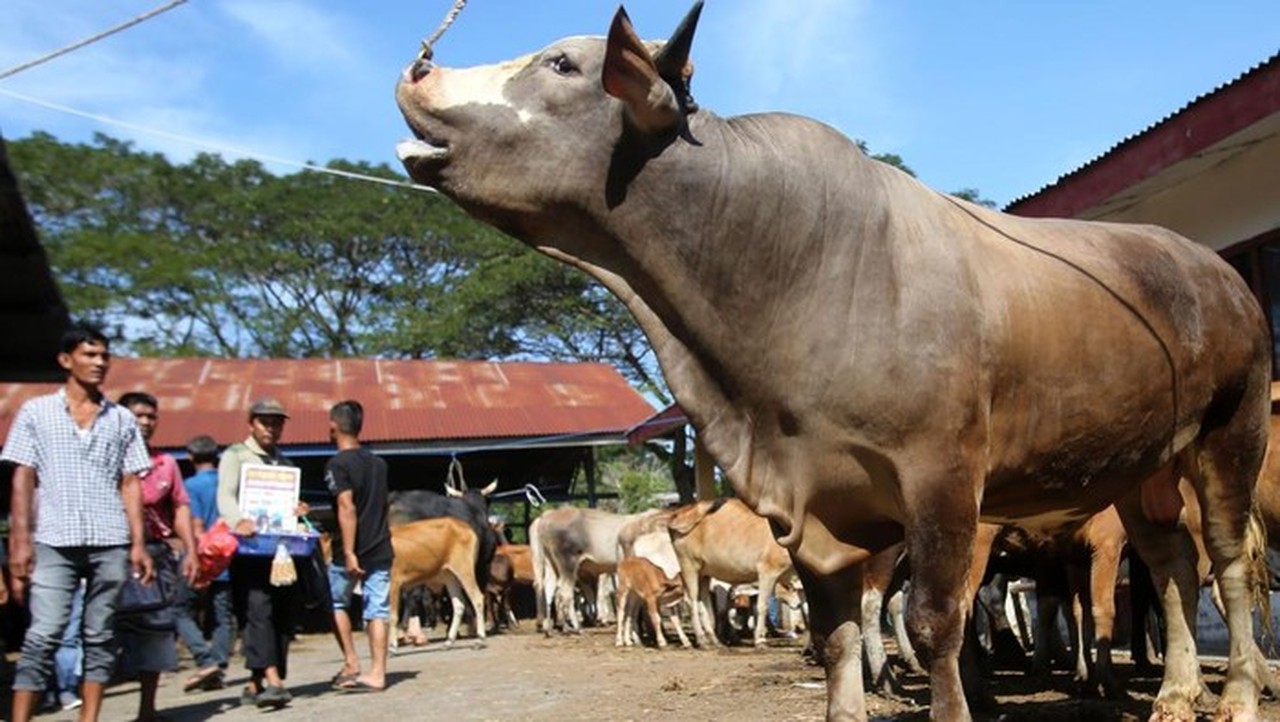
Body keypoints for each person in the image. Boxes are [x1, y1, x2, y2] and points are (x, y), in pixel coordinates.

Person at [2, 322, 154, 722]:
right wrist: (19, 540)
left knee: (100, 636)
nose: (99, 362)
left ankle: (89, 719)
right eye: (90, 355)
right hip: (54, 538)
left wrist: (138, 543)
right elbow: (23, 476)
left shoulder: (121, 419)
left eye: (104, 355)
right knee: (43, 634)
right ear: (66, 360)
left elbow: (131, 482)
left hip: (110, 538)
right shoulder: (36, 412)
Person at [216, 398, 307, 709]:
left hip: (281, 552)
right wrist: (236, 519)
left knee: (282, 612)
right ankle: (274, 681)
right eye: (265, 421)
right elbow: (225, 495)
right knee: (258, 610)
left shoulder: (285, 464)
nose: (271, 427)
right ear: (251, 423)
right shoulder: (236, 456)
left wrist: (298, 509)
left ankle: (257, 682)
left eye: (277, 422)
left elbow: (290, 503)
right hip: (249, 549)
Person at [117, 391, 200, 722]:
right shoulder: (103, 458)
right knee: (102, 633)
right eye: (139, 415)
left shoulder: (165, 463)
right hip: (111, 551)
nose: (146, 422)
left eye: (152, 416)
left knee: (155, 630)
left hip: (156, 552)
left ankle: (146, 710)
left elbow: (180, 505)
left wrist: (191, 548)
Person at [325, 400, 394, 693]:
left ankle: (352, 662)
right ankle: (378, 673)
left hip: (348, 552)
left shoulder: (337, 464)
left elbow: (346, 507)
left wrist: (350, 551)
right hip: (380, 546)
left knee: (337, 602)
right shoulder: (379, 464)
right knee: (377, 609)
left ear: (333, 427)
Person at [174, 434, 233, 692]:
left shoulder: (191, 486)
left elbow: (196, 525)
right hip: (229, 556)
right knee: (223, 615)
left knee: (180, 610)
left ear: (190, 457)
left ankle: (205, 658)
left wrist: (193, 556)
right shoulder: (228, 482)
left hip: (203, 555)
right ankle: (218, 665)